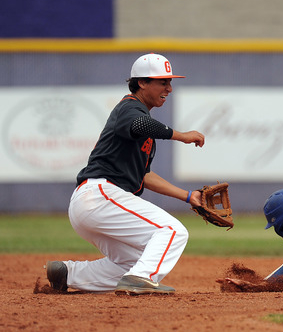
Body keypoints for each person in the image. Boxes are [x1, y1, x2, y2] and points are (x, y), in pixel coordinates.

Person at [45, 53, 206, 295]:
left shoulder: (139, 115)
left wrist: (188, 196)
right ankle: (141, 279)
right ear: (141, 82)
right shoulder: (130, 107)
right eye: (163, 82)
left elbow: (144, 176)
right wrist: (181, 135)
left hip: (95, 203)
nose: (169, 88)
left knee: (136, 260)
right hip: (100, 196)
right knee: (173, 231)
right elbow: (140, 125)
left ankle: (69, 274)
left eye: (170, 82)